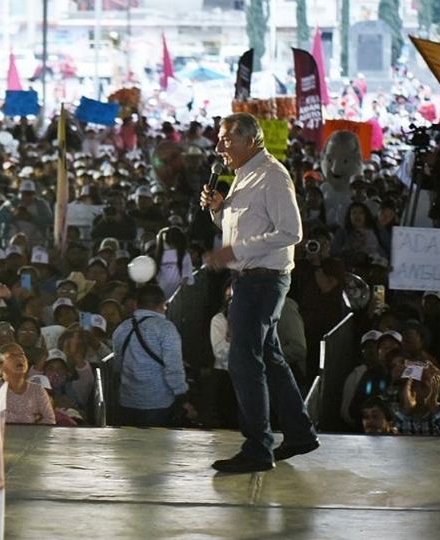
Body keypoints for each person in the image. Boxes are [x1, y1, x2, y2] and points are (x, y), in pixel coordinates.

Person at [200, 112, 318, 473]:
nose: (220, 146)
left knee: (244, 361)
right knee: (269, 357)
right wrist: (219, 211)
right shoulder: (241, 175)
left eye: (227, 138)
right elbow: (238, 226)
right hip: (249, 278)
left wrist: (233, 252)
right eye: (219, 139)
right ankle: (299, 432)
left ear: (251, 139)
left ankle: (258, 447)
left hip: (264, 280)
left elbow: (291, 232)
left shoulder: (272, 175)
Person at [112, 284, 191, 427]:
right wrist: (183, 398)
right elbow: (173, 369)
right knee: (157, 447)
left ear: (137, 304)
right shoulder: (166, 328)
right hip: (158, 402)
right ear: (163, 304)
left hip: (128, 400)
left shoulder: (122, 328)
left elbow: (118, 366)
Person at [0, 343, 55, 425]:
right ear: (0, 366)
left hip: (32, 437)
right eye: (12, 355)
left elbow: (49, 420)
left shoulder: (38, 390)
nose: (19, 358)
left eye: (22, 355)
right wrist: (32, 418)